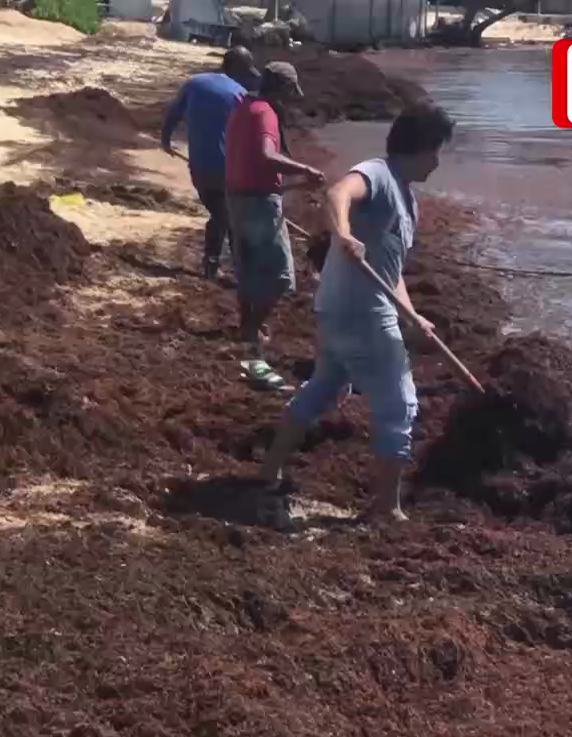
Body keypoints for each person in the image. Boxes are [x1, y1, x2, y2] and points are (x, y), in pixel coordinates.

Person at [256, 102, 456, 521]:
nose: (438, 162)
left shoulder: (406, 198)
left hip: (339, 310)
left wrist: (412, 315)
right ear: (418, 147)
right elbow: (337, 193)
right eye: (436, 151)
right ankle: (387, 507)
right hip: (362, 313)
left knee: (322, 388)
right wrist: (343, 235)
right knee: (400, 405)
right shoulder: (379, 174)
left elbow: (391, 270)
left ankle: (270, 470)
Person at [223, 60, 326, 390]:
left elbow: (250, 164)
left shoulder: (243, 108)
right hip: (257, 204)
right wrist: (305, 170)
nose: (290, 100)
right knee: (282, 278)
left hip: (237, 198)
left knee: (249, 270)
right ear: (281, 89)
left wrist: (290, 185)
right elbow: (267, 156)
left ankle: (249, 335)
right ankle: (252, 332)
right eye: (289, 93)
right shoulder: (266, 112)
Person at [160, 46, 261, 280]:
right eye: (245, 72)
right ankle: (228, 266)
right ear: (235, 68)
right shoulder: (240, 95)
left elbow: (173, 114)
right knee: (230, 217)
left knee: (223, 214)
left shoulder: (194, 83)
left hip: (199, 169)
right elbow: (251, 139)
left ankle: (218, 262)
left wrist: (165, 140)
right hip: (227, 171)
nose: (247, 78)